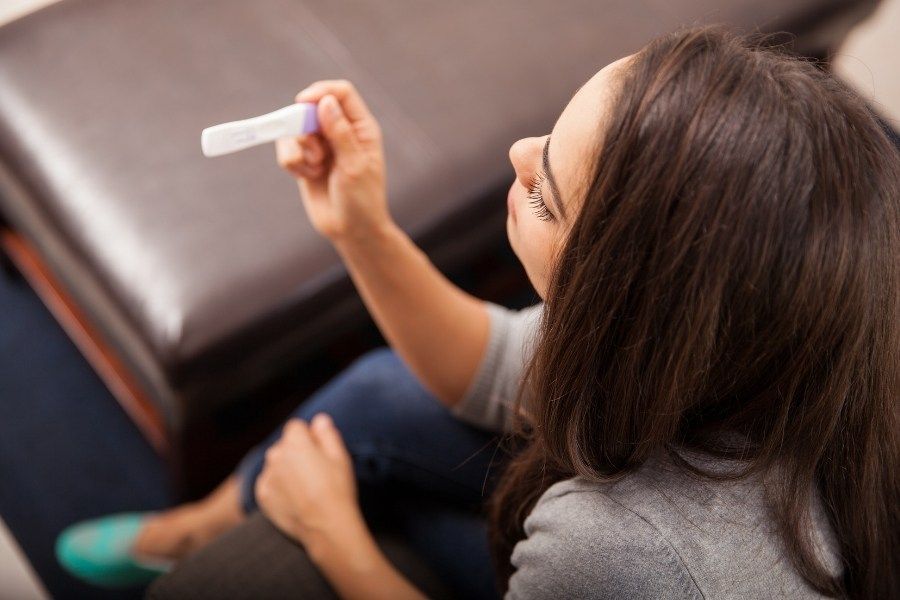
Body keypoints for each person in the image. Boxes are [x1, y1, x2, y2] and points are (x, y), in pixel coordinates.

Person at [57, 26, 898, 599]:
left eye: (548, 195)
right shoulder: (751, 322)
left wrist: (332, 537)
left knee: (363, 495)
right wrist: (359, 224)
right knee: (387, 393)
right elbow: (498, 364)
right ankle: (197, 526)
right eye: (549, 136)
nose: (518, 154)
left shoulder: (626, 551)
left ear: (629, 303)